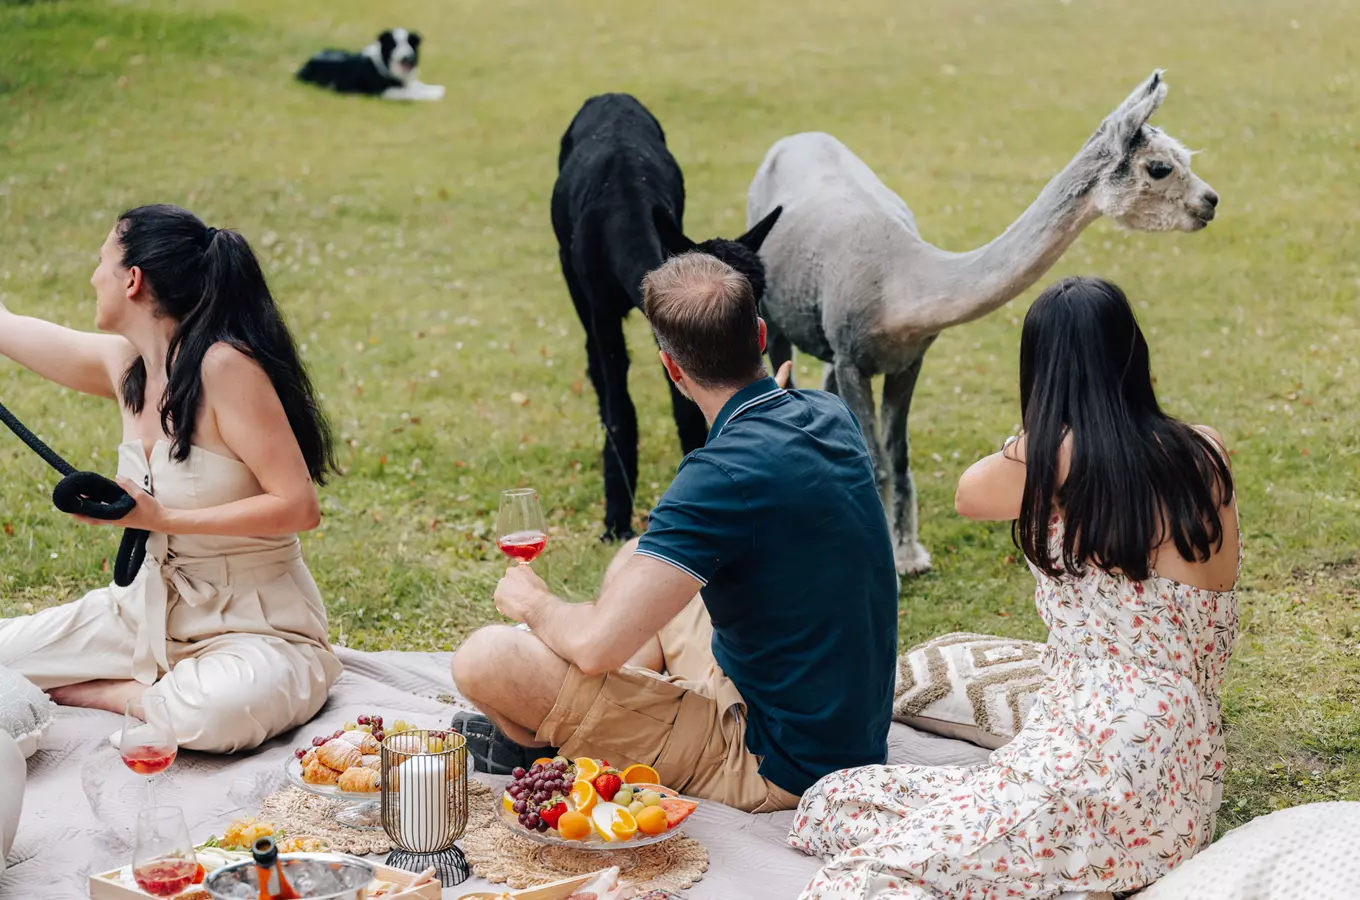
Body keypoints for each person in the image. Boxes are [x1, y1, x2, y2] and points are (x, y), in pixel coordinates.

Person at [788, 276, 1241, 898]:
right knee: (834, 802)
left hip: (1100, 761)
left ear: (1041, 371)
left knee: (860, 881)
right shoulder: (1205, 451)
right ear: (1132, 354)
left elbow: (968, 492)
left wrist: (1039, 432)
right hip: (1176, 768)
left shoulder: (1049, 461)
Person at [451, 252, 899, 812]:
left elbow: (594, 648)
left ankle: (576, 735)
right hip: (832, 722)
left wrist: (536, 605)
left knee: (485, 658)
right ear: (760, 335)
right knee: (639, 555)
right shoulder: (828, 412)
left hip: (778, 762)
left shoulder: (720, 477)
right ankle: (623, 712)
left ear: (672, 368)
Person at [0, 205, 342, 753]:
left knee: (212, 716)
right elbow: (10, 328)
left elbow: (299, 505)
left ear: (133, 280)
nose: (93, 275)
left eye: (101, 261)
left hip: (255, 628)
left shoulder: (225, 367)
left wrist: (163, 518)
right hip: (140, 613)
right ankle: (155, 686)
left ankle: (119, 695)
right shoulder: (126, 363)